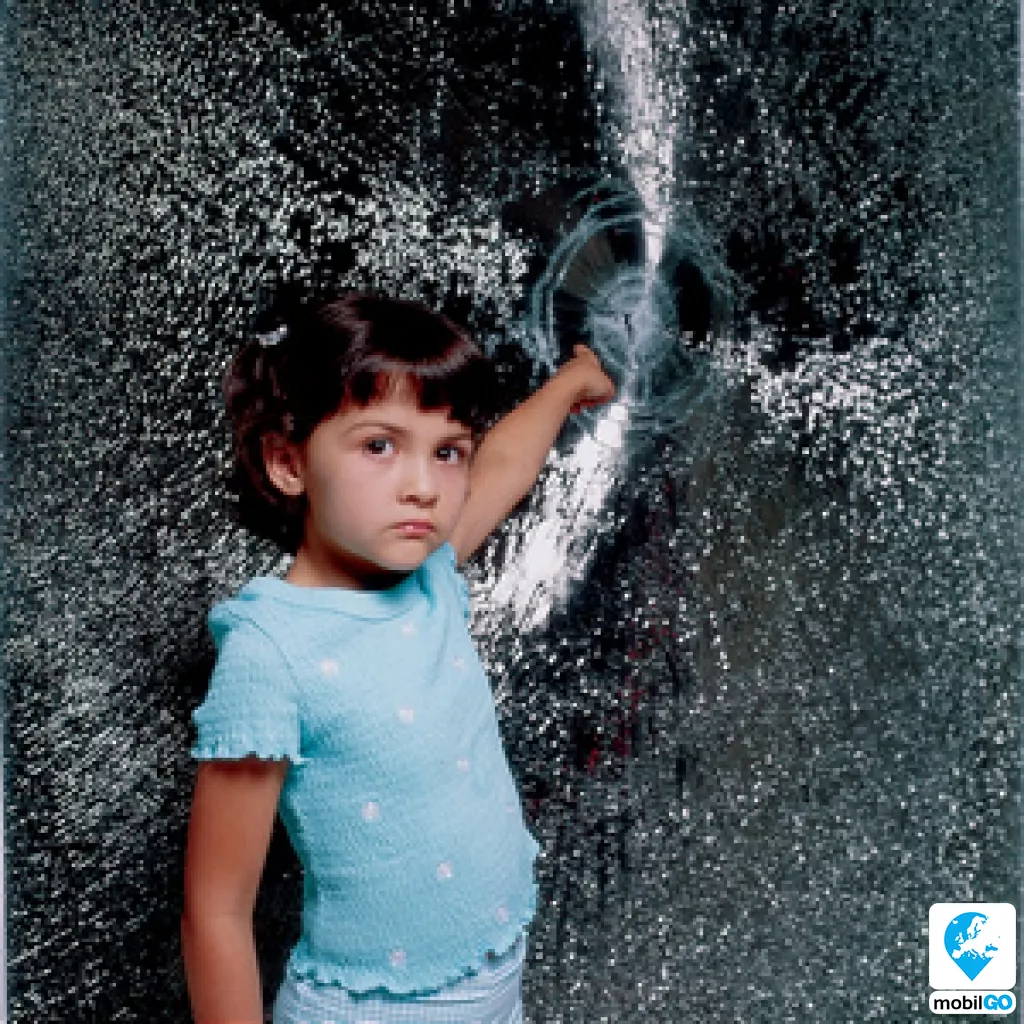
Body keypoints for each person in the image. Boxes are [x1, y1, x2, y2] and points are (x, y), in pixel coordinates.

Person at [181, 292, 615, 1024]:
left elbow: (505, 463)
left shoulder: (431, 577)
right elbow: (216, 911)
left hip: (497, 988)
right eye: (379, 446)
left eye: (446, 452)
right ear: (288, 461)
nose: (423, 486)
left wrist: (571, 382)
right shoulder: (271, 652)